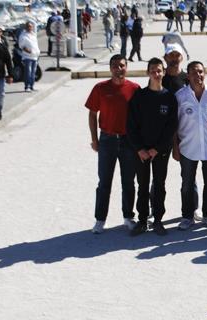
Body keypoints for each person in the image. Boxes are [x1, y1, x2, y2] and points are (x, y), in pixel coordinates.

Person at [85, 54, 140, 234]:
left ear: (126, 68)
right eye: (115, 66)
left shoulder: (135, 89)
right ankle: (100, 219)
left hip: (128, 141)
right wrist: (95, 139)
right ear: (110, 68)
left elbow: (140, 118)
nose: (119, 69)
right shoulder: (100, 88)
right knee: (104, 182)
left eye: (122, 65)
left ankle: (128, 217)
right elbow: (92, 114)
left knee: (128, 182)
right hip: (107, 140)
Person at [127, 57, 178, 236]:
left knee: (159, 184)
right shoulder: (139, 96)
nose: (156, 74)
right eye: (153, 71)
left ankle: (157, 220)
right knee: (142, 185)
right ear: (147, 72)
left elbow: (171, 127)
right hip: (141, 151)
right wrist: (140, 149)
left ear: (163, 72)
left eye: (159, 71)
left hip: (160, 151)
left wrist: (157, 149)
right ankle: (142, 220)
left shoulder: (169, 97)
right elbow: (131, 125)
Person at [173, 61, 207, 230]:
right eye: (194, 73)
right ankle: (187, 216)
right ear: (187, 76)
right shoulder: (180, 96)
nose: (198, 76)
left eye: (201, 72)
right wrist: (175, 146)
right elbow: (173, 124)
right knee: (187, 184)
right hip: (187, 148)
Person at [18, 21, 40, 92]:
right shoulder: (23, 35)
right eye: (28, 26)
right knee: (28, 72)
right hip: (27, 57)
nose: (29, 28)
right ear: (26, 27)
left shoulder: (33, 34)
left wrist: (37, 52)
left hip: (35, 56)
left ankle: (32, 86)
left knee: (33, 72)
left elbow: (35, 44)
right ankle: (27, 86)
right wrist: (28, 51)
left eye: (31, 26)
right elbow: (21, 46)